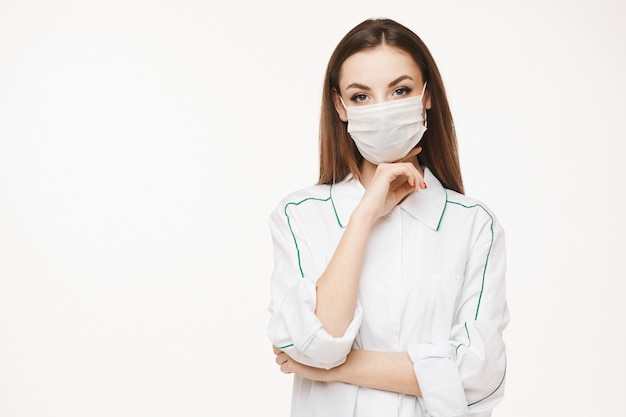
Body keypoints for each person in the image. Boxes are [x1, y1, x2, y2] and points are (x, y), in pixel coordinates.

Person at [267, 17, 509, 417]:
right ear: (339, 106)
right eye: (361, 96)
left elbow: (479, 376)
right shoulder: (299, 216)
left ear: (427, 95)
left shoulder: (473, 224)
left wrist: (333, 369)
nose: (383, 110)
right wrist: (364, 215)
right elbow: (317, 340)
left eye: (400, 90)